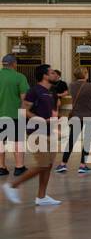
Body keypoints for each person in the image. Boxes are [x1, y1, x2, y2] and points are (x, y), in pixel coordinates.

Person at [3, 65, 59, 205]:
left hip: (49, 133)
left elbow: (51, 112)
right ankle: (12, 186)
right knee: (42, 165)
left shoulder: (51, 92)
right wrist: (39, 119)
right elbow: (23, 110)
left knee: (49, 165)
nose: (55, 75)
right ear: (45, 76)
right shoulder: (34, 91)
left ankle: (41, 197)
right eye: (52, 73)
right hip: (36, 133)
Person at [57, 68, 91, 175]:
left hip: (76, 116)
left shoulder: (72, 86)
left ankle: (63, 164)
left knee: (71, 140)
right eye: (87, 72)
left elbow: (85, 88)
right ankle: (82, 166)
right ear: (84, 74)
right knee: (87, 140)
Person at [0, 53, 29, 177]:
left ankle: (1, 167)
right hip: (15, 115)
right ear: (14, 64)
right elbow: (24, 98)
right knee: (18, 141)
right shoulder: (19, 77)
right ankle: (19, 167)